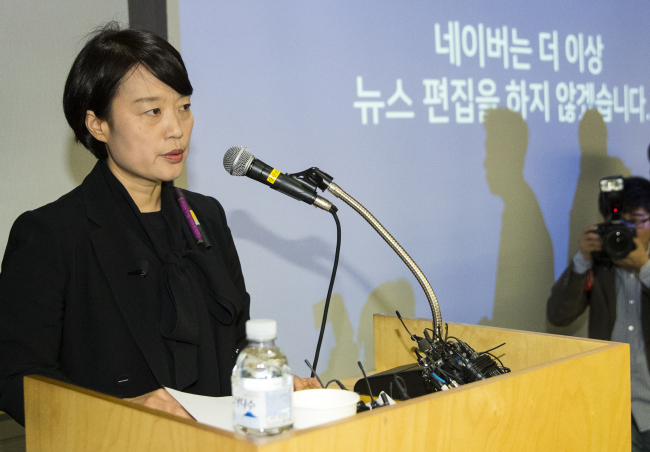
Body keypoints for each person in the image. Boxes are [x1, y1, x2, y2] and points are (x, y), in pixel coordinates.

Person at [0, 23, 317, 426]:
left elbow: (235, 344)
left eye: (183, 106)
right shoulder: (51, 234)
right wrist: (123, 412)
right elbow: (16, 380)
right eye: (153, 111)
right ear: (98, 124)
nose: (177, 128)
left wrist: (272, 384)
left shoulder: (207, 217)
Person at [547, 176, 650, 451]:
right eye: (620, 223)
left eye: (637, 221)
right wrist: (581, 261)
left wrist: (645, 267)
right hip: (614, 408)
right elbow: (558, 316)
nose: (628, 231)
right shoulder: (600, 265)